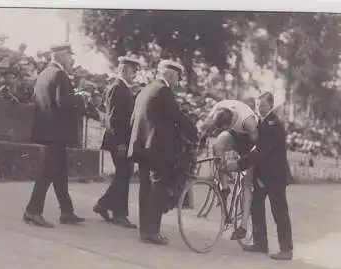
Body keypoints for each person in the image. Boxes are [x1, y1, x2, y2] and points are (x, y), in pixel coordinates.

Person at [128, 59, 198, 245]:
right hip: (156, 149)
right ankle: (153, 232)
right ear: (170, 75)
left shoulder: (147, 89)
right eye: (177, 78)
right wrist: (194, 130)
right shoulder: (163, 91)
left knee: (145, 189)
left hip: (142, 147)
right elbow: (177, 116)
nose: (177, 83)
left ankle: (145, 230)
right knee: (157, 189)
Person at [23, 43, 86, 228]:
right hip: (58, 132)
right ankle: (33, 211)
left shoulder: (44, 73)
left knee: (60, 172)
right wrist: (80, 97)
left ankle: (67, 211)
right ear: (60, 56)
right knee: (48, 172)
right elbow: (63, 102)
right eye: (69, 55)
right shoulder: (60, 75)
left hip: (47, 130)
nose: (71, 59)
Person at [236, 92, 294, 260]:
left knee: (279, 212)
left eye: (262, 106)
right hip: (262, 175)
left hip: (275, 176)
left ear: (270, 105)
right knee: (256, 206)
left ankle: (286, 249)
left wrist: (239, 164)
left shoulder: (274, 124)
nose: (259, 109)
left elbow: (261, 150)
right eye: (258, 106)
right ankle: (260, 243)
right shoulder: (261, 123)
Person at [197, 99, 259, 241]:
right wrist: (198, 141)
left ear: (232, 121)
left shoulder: (248, 121)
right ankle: (224, 188)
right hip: (234, 134)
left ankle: (243, 227)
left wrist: (241, 164)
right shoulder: (218, 108)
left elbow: (258, 147)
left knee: (247, 182)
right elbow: (204, 127)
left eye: (227, 126)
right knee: (217, 146)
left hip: (249, 140)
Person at [94, 56, 141, 228]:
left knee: (124, 174)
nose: (135, 74)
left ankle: (108, 206)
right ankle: (116, 212)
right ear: (123, 70)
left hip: (121, 140)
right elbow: (113, 119)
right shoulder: (117, 88)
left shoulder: (123, 88)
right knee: (124, 174)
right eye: (132, 70)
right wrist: (121, 142)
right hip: (118, 141)